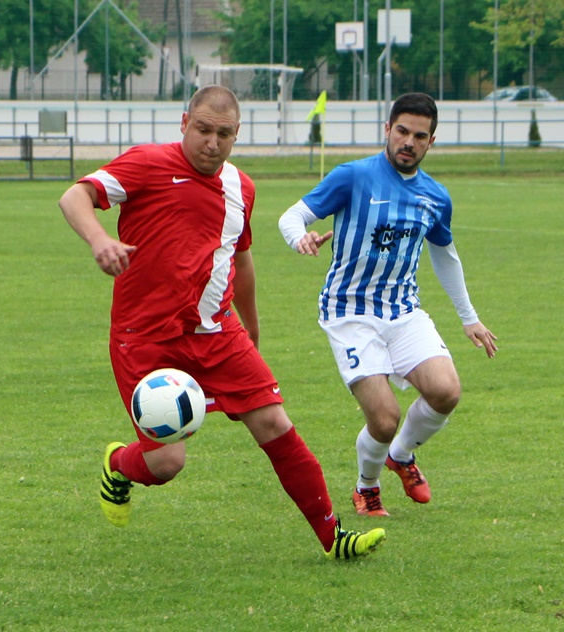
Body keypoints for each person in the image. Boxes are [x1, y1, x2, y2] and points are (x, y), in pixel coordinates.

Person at [58, 85, 384, 560]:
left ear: (237, 134)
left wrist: (252, 326)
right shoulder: (148, 162)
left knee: (274, 422)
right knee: (167, 462)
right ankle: (119, 464)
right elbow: (75, 196)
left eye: (224, 134)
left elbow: (242, 260)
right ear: (184, 123)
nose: (212, 143)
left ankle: (333, 537)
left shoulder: (241, 188)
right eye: (203, 130)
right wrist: (98, 240)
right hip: (144, 337)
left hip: (217, 330)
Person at [278, 92, 497, 517]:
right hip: (349, 312)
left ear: (431, 141)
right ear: (387, 129)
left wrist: (468, 318)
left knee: (446, 392)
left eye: (420, 136)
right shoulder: (353, 176)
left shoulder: (436, 197)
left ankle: (401, 456)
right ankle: (367, 487)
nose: (408, 142)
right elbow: (292, 216)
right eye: (402, 131)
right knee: (383, 418)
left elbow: (445, 255)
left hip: (402, 310)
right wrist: (299, 237)